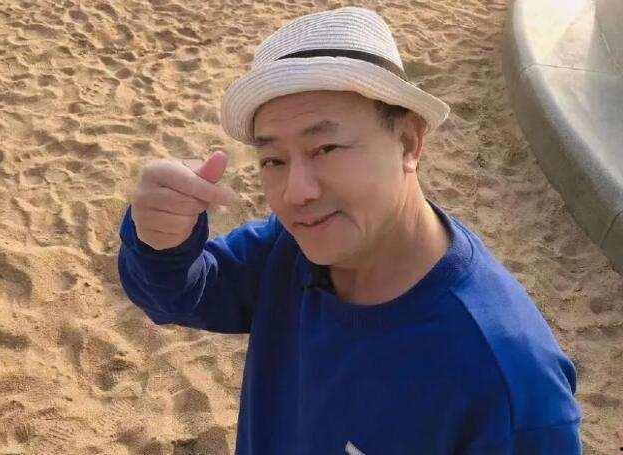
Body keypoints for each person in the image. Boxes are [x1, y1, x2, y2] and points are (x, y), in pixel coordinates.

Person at [117, 7, 582, 454]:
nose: (296, 192)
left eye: (326, 148)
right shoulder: (288, 251)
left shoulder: (506, 382)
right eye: (273, 160)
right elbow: (179, 294)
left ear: (408, 142)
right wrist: (161, 244)